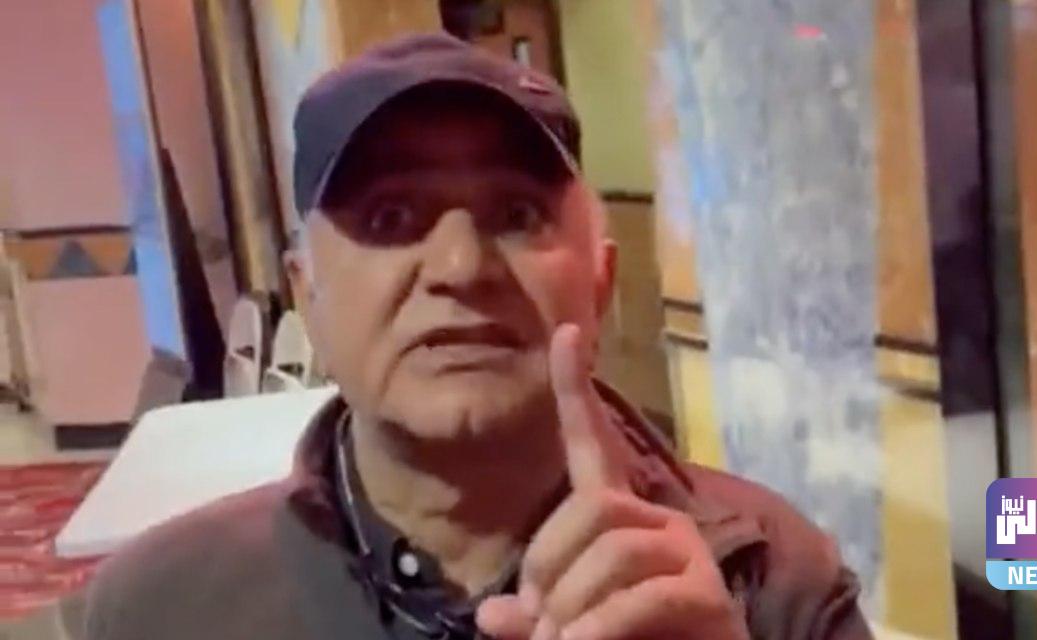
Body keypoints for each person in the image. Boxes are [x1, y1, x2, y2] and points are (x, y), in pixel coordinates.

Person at [81, 33, 870, 640]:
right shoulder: (163, 609)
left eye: (517, 214)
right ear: (305, 295)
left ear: (601, 283)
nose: (461, 267)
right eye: (390, 216)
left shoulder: (776, 580)